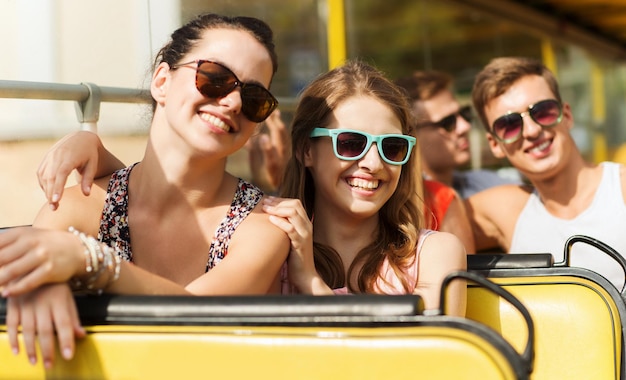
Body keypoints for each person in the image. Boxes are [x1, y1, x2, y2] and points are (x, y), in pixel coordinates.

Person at [0, 13, 290, 367]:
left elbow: (195, 319)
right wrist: (47, 281)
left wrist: (87, 259)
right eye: (214, 78)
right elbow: (35, 268)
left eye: (254, 98)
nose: (232, 102)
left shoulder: (265, 227)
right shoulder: (77, 209)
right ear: (162, 81)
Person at [261, 60, 467, 316]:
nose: (374, 163)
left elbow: (425, 352)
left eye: (392, 147)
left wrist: (311, 282)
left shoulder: (435, 254)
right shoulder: (269, 249)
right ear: (306, 150)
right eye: (350, 143)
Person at [465, 56, 626, 289]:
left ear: (567, 115)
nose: (531, 130)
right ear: (495, 144)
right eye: (509, 124)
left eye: (543, 111)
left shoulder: (619, 189)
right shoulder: (507, 210)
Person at [394, 70, 522, 199]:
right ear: (410, 136)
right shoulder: (403, 209)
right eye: (448, 122)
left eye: (464, 113)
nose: (465, 126)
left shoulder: (483, 184)